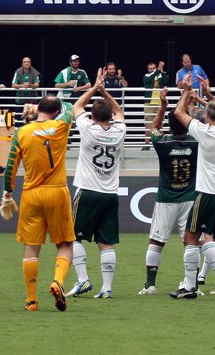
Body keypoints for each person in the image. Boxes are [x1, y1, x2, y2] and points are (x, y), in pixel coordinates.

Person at [2, 95, 76, 312]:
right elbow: (69, 106)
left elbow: (10, 166)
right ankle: (58, 281)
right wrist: (37, 108)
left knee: (31, 249)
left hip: (31, 194)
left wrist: (7, 194)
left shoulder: (22, 132)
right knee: (64, 244)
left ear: (39, 109)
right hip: (57, 192)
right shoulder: (60, 125)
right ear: (54, 112)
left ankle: (32, 301)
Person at [170, 79, 215, 300]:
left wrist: (188, 92)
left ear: (208, 116)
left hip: (208, 193)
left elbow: (178, 112)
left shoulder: (205, 132)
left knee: (190, 238)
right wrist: (208, 95)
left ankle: (190, 286)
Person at [66, 69, 126, 299]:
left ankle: (83, 280)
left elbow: (76, 107)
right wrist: (105, 91)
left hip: (88, 191)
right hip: (110, 193)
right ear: (110, 116)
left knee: (72, 236)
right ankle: (107, 287)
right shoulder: (120, 130)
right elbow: (119, 111)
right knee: (106, 242)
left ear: (93, 116)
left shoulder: (88, 128)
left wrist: (94, 88)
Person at [139, 88, 198, 295]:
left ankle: (150, 284)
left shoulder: (163, 143)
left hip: (166, 198)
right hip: (190, 198)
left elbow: (153, 128)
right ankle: (193, 284)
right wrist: (190, 95)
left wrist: (163, 107)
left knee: (156, 240)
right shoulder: (196, 142)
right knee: (191, 241)